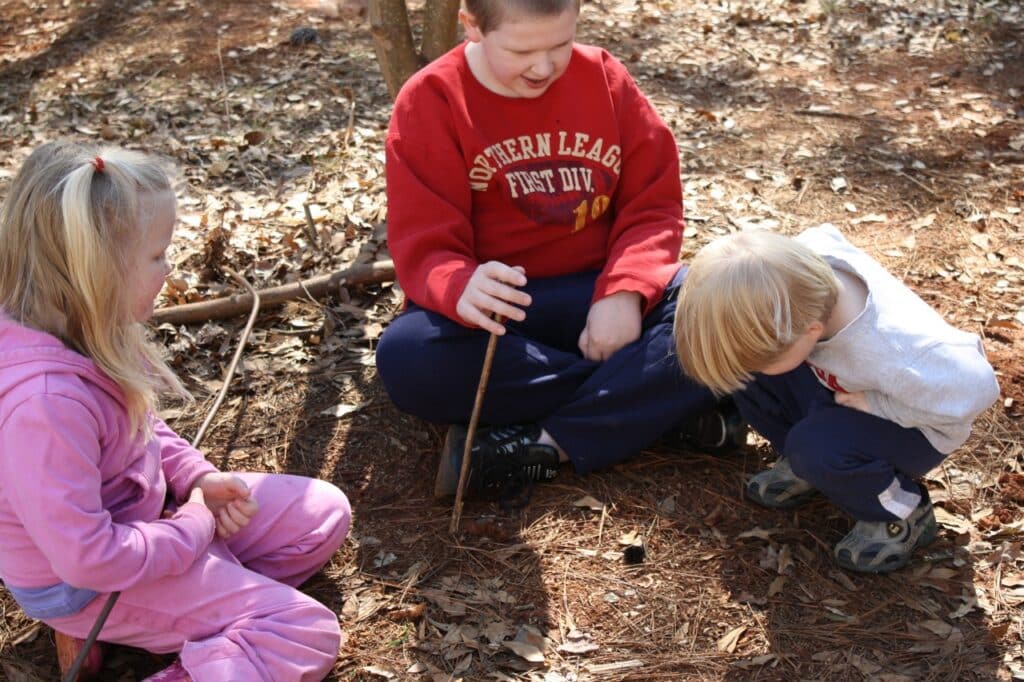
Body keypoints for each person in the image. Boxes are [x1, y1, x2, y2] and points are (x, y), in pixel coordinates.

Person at [0, 141, 351, 681]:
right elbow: (88, 559)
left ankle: (208, 614)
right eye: (156, 255)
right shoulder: (44, 404)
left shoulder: (88, 325)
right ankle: (219, 634)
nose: (170, 267)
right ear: (96, 268)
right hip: (87, 582)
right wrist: (193, 526)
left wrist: (197, 478)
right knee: (302, 630)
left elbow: (142, 429)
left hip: (147, 523)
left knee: (322, 512)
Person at [375, 0, 743, 501]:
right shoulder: (433, 98)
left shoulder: (606, 79)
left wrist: (626, 293)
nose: (543, 66)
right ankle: (661, 403)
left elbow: (653, 206)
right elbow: (424, 240)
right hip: (500, 308)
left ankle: (544, 446)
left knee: (720, 307)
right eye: (522, 49)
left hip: (596, 292)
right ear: (473, 26)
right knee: (409, 358)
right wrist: (461, 283)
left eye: (561, 44)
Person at [674, 225, 1000, 573]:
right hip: (846, 386)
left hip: (914, 424)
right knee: (750, 377)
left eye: (768, 357)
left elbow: (978, 387)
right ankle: (808, 465)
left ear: (810, 332)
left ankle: (902, 512)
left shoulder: (895, 352)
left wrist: (880, 405)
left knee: (816, 447)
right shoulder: (799, 278)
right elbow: (822, 233)